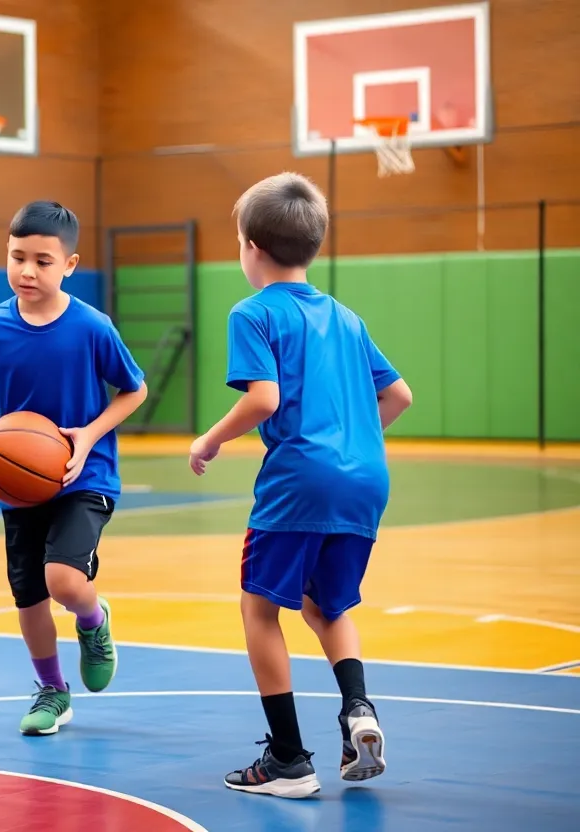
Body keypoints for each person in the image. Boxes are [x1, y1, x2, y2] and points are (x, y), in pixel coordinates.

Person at [189, 172, 414, 799]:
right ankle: (358, 711)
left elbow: (263, 399)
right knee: (328, 605)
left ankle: (288, 760)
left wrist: (208, 440)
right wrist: (354, 445)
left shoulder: (254, 312)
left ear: (251, 248)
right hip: (366, 479)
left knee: (261, 607)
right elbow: (398, 395)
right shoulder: (346, 316)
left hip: (300, 481)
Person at [0, 200, 147, 736]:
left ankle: (94, 621)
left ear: (69, 265)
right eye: (18, 257)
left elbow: (133, 390)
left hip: (82, 476)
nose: (27, 270)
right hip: (18, 481)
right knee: (30, 594)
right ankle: (52, 690)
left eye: (43, 261)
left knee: (63, 580)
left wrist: (89, 435)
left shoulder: (92, 326)